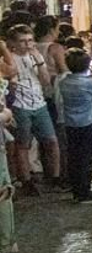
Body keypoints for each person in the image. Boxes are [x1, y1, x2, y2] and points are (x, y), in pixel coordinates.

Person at [5, 23, 60, 195]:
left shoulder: (34, 56)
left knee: (52, 141)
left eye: (30, 40)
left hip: (39, 103)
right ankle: (27, 180)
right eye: (22, 41)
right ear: (13, 43)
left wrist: (40, 62)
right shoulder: (9, 59)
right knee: (23, 144)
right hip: (20, 105)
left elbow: (45, 81)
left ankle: (55, 177)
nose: (27, 45)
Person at [58, 48, 92, 204]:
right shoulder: (88, 83)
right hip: (88, 123)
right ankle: (85, 191)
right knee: (88, 157)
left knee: (74, 156)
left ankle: (77, 189)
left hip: (71, 124)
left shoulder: (64, 82)